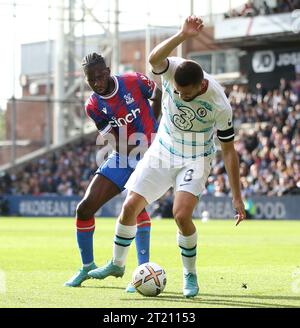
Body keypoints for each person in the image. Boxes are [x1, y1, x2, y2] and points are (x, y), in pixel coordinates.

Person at [88, 16, 246, 298]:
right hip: (163, 149)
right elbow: (154, 58)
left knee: (181, 215)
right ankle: (116, 264)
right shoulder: (172, 72)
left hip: (196, 157)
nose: (181, 97)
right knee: (129, 206)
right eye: (178, 93)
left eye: (186, 94)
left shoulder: (220, 104)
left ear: (201, 87)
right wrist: (182, 35)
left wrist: (237, 196)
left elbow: (229, 150)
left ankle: (190, 274)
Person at [64, 53, 162, 293]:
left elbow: (158, 93)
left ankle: (141, 272)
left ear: (108, 71)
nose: (97, 83)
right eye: (91, 79)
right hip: (124, 154)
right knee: (84, 207)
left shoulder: (133, 81)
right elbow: (113, 142)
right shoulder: (93, 106)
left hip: (150, 156)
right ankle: (87, 266)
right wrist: (140, 145)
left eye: (100, 76)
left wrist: (156, 123)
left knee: (136, 209)